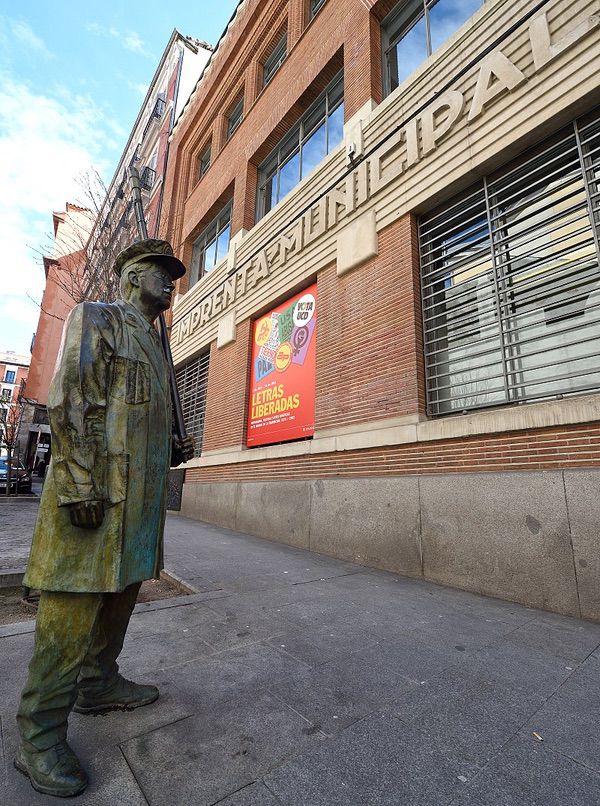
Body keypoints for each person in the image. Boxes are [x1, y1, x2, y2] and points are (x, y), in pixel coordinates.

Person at [15, 239, 194, 798]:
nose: (169, 283)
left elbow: (152, 411)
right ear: (131, 276)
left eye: (172, 276)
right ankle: (38, 735)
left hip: (140, 503)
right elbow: (71, 399)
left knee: (123, 591)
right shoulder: (99, 318)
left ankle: (99, 682)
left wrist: (174, 440)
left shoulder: (159, 345)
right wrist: (79, 482)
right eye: (159, 273)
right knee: (73, 604)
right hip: (94, 494)